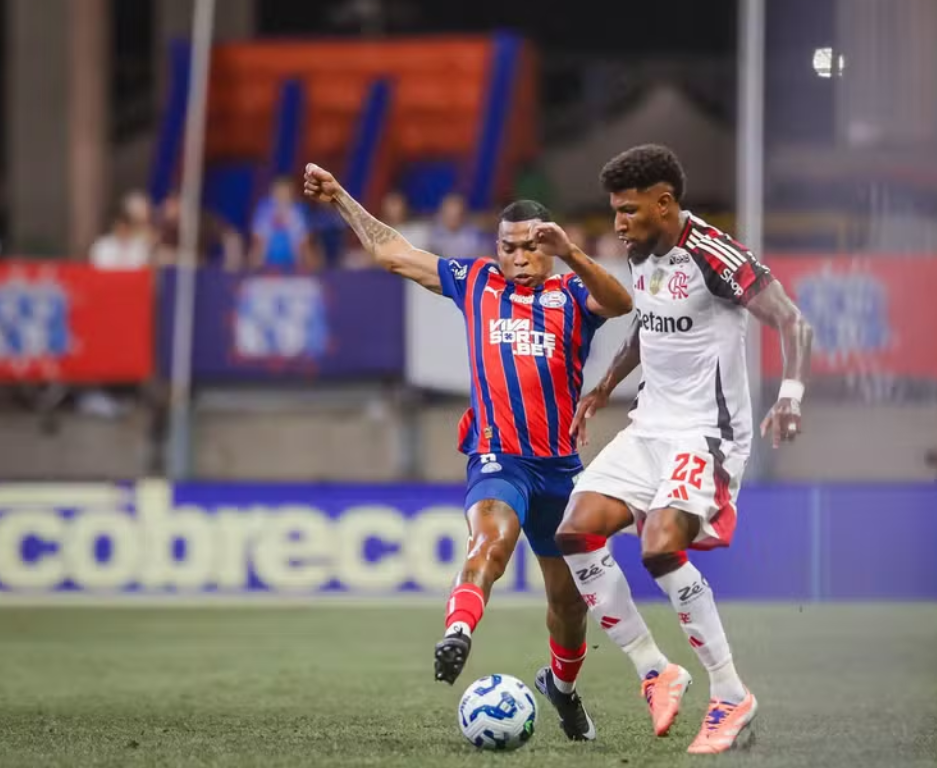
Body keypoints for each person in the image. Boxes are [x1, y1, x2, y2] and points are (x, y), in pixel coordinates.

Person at [302, 163, 634, 741]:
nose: (520, 258)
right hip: (498, 456)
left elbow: (622, 302)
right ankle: (458, 632)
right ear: (496, 249)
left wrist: (573, 253)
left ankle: (561, 687)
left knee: (569, 602)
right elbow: (394, 253)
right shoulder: (476, 281)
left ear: (550, 248)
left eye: (532, 247)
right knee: (490, 543)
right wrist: (340, 199)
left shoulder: (573, 294)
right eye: (509, 248)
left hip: (560, 470)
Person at [556, 145, 814, 755]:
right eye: (615, 211)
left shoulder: (715, 255)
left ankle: (729, 692)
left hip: (707, 433)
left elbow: (793, 322)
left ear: (664, 203)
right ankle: (655, 669)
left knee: (658, 545)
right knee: (575, 531)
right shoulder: (641, 253)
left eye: (628, 210)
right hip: (649, 427)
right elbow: (647, 323)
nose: (618, 223)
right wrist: (605, 386)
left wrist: (791, 396)